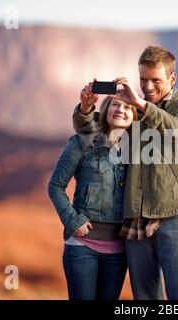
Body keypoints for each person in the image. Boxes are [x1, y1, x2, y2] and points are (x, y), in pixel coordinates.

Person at [72, 45, 178, 300]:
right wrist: (86, 109)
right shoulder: (133, 111)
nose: (148, 86)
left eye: (156, 80)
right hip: (135, 219)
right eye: (143, 79)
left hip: (175, 214)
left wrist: (141, 104)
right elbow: (92, 132)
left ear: (172, 78)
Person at [48, 94, 138, 300]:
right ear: (105, 109)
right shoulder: (82, 142)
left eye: (127, 107)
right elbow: (55, 185)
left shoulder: (137, 151)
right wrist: (73, 220)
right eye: (115, 104)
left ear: (134, 116)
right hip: (82, 246)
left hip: (118, 250)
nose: (121, 110)